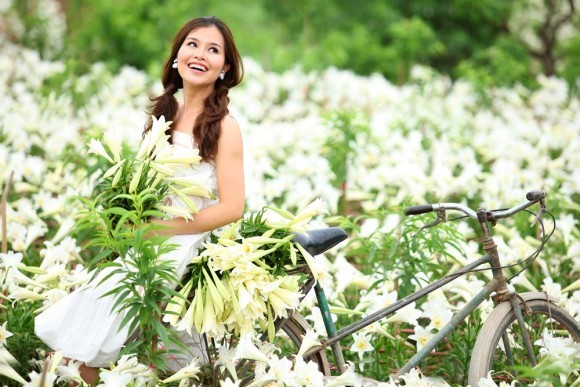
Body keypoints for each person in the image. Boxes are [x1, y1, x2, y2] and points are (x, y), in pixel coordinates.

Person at [34, 16, 245, 385]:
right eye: (192, 44)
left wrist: (165, 228)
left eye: (214, 50)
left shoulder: (225, 126)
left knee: (94, 327)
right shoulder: (164, 115)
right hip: (147, 239)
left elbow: (232, 207)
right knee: (85, 325)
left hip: (185, 242)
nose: (200, 54)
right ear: (177, 56)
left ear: (224, 68)